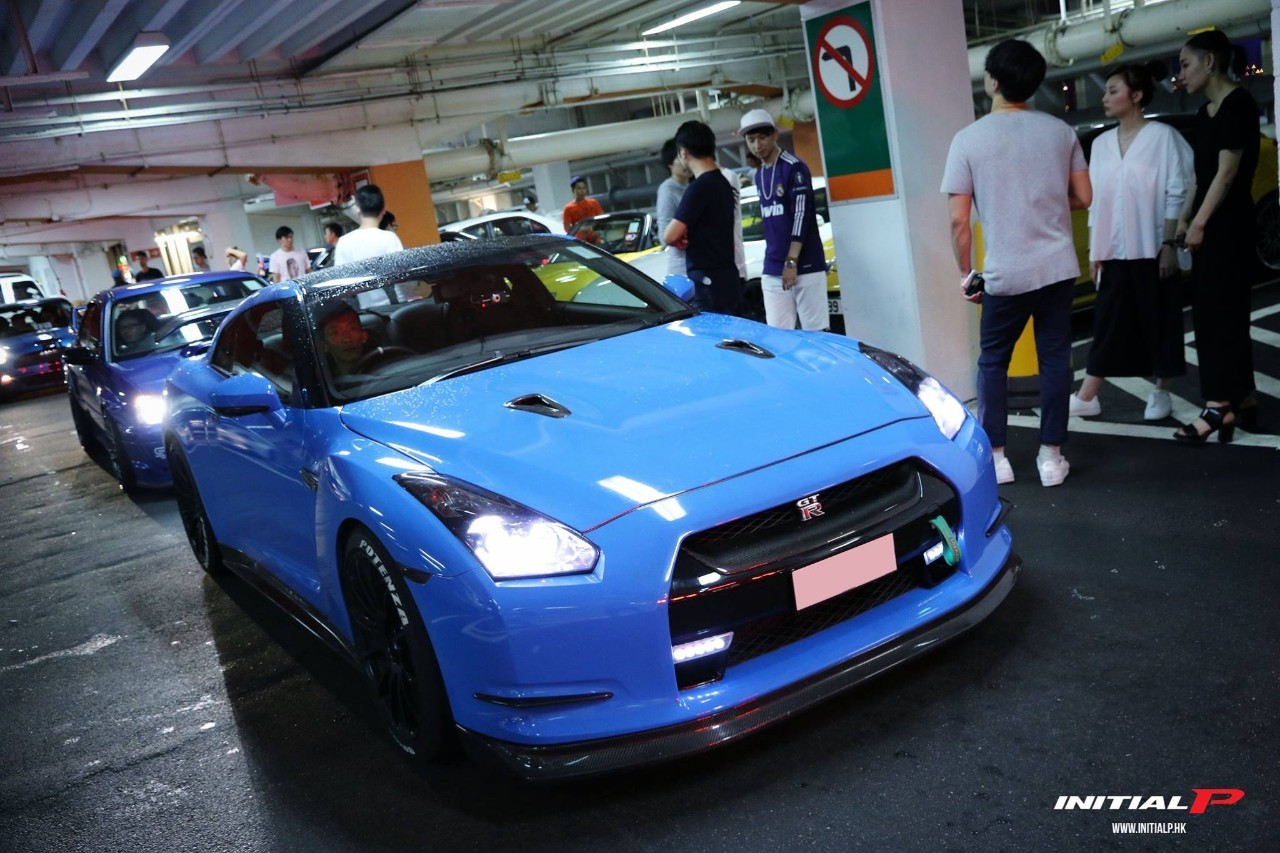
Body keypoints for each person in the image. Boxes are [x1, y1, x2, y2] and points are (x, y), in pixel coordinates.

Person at [941, 39, 1091, 487]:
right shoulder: (1060, 132)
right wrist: (1047, 204)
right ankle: (1051, 457)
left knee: (993, 363)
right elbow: (1084, 196)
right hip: (1057, 268)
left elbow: (958, 222)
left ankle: (1000, 458)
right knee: (1055, 359)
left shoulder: (968, 140)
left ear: (992, 81)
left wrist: (966, 273)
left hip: (1005, 273)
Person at [1070, 62, 1193, 422]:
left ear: (1136, 96)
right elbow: (1098, 201)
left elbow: (1177, 191)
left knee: (1160, 319)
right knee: (1108, 320)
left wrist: (1169, 243)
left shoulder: (1163, 137)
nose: (1105, 97)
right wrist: (1095, 248)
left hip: (1153, 247)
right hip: (1113, 249)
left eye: (1113, 90)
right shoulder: (1103, 143)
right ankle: (1089, 395)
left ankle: (1161, 390)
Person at [1173, 30, 1260, 443]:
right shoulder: (1203, 114)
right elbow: (1198, 176)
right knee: (1219, 314)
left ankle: (1217, 406)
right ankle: (1242, 398)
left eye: (1186, 64)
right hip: (1208, 226)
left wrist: (1201, 222)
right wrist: (1184, 218)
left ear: (1210, 62)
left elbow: (1227, 173)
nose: (1181, 74)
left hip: (1230, 225)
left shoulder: (1238, 105)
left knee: (1218, 318)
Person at [740, 108, 828, 331]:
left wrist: (792, 260)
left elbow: (802, 214)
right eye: (751, 140)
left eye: (762, 137)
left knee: (815, 334)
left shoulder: (794, 166)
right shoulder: (759, 175)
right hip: (772, 266)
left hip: (805, 263)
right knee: (778, 335)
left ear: (775, 135)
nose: (757, 145)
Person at [663, 120, 742, 315]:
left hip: (708, 283)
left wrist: (680, 234)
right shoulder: (723, 182)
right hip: (728, 277)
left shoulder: (699, 188)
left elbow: (669, 236)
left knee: (712, 341)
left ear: (683, 152)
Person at [334, 184, 406, 307]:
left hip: (367, 313)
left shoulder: (344, 242)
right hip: (397, 308)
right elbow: (402, 276)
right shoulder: (390, 238)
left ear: (357, 209)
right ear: (384, 209)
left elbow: (341, 286)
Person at [656, 138, 691, 278]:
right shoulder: (667, 190)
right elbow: (664, 235)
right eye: (680, 158)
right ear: (670, 163)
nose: (685, 162)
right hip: (680, 266)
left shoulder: (690, 187)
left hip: (695, 262)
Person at [316, 300, 371, 378]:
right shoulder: (321, 382)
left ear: (364, 336)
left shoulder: (384, 364)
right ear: (324, 345)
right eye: (335, 333)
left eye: (352, 329)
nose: (347, 339)